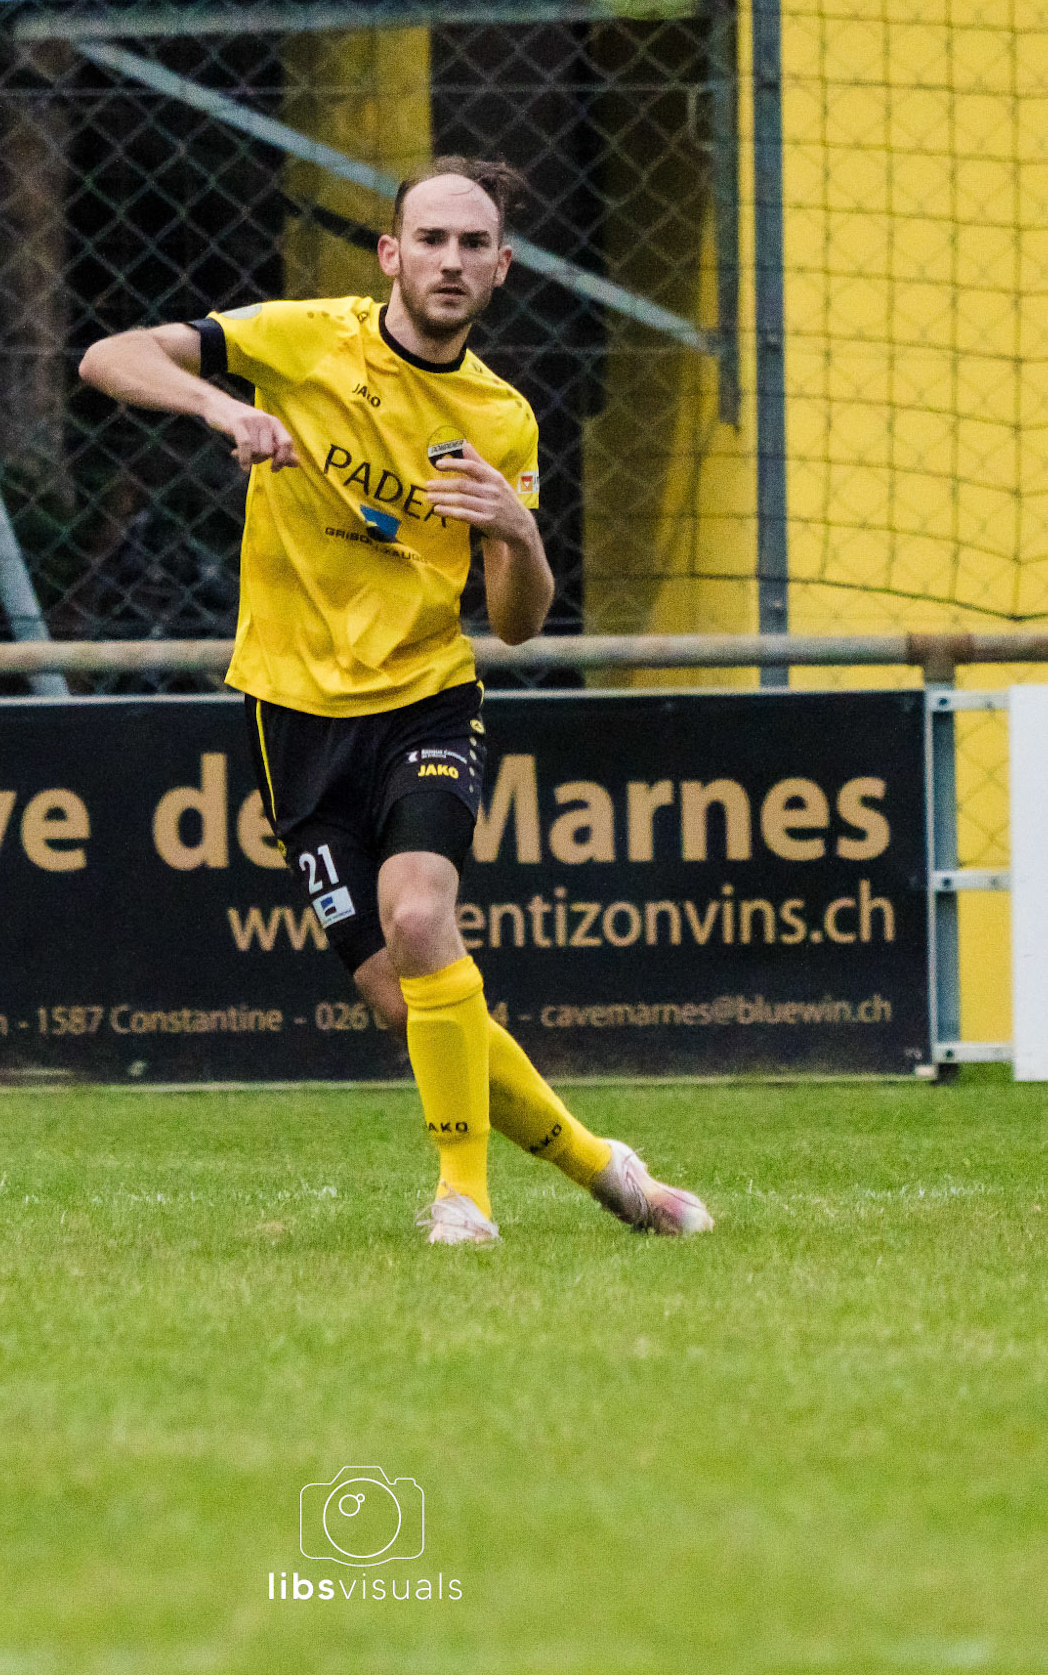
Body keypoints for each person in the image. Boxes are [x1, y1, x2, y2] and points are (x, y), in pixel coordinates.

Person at [80, 156, 712, 1246]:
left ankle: (463, 1196)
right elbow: (106, 355)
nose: (451, 261)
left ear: (503, 268)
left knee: (421, 914)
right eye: (431, 239)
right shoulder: (303, 336)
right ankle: (608, 1170)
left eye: (474, 245)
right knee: (395, 993)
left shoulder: (500, 420)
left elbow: (515, 621)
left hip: (425, 694)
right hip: (291, 709)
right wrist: (217, 407)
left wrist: (516, 532)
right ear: (391, 255)